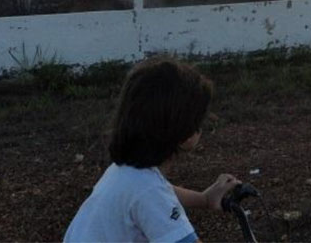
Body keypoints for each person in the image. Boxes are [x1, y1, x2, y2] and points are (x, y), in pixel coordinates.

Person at [64, 56, 239, 242]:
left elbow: (162, 189)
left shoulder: (124, 172)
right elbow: (155, 195)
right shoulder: (149, 193)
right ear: (183, 129)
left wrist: (204, 199)